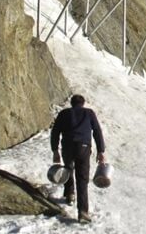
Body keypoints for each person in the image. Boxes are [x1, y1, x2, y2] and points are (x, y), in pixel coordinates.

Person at [50, 94, 106, 223]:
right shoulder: (89, 113)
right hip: (83, 147)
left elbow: (55, 132)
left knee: (68, 170)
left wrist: (55, 150)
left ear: (71, 103)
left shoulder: (64, 113)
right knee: (82, 178)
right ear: (83, 103)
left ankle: (70, 194)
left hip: (67, 147)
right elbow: (97, 131)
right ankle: (83, 212)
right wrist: (101, 151)